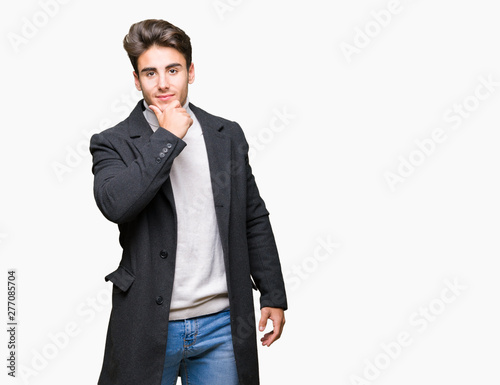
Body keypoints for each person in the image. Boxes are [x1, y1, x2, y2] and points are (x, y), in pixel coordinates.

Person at [89, 19, 287, 385]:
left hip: (222, 325)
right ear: (136, 80)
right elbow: (116, 204)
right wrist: (167, 137)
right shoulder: (113, 142)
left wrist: (273, 292)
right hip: (147, 324)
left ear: (190, 72)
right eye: (150, 73)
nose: (163, 83)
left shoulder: (225, 134)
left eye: (173, 70)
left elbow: (252, 216)